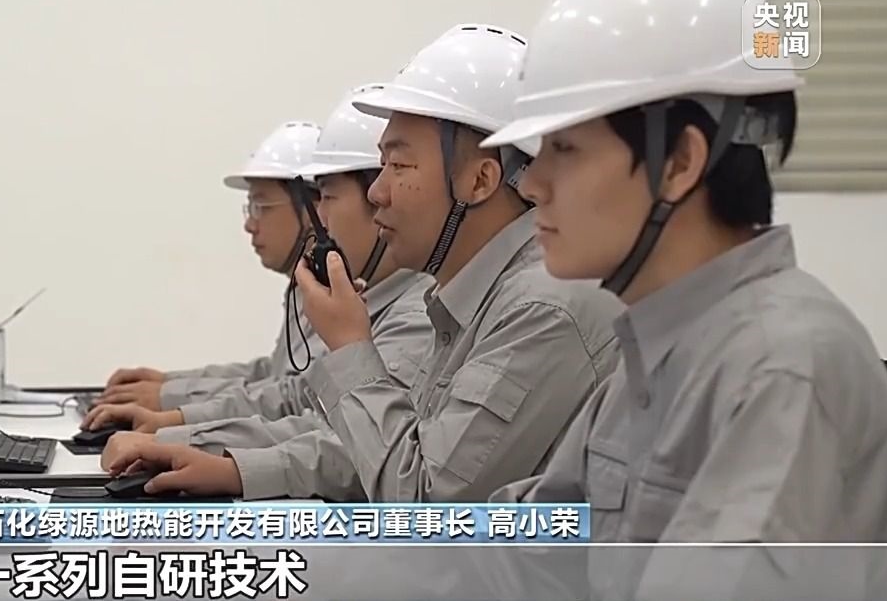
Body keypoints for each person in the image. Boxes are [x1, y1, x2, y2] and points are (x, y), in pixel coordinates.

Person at [478, 0, 887, 549]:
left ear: (680, 162)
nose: (532, 183)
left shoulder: (779, 370)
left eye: (565, 149)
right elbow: (535, 540)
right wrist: (350, 541)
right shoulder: (659, 349)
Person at [108, 25, 624, 502]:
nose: (379, 193)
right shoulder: (470, 300)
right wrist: (235, 467)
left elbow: (424, 502)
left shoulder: (541, 309)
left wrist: (350, 346)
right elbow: (388, 449)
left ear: (480, 180)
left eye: (399, 165)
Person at [87, 86, 436, 501]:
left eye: (326, 197)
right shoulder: (356, 298)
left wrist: (186, 436)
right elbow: (290, 388)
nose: (320, 220)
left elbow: (353, 445)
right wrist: (172, 403)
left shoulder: (416, 316)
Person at [96, 122, 330, 412]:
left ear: (314, 211)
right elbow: (273, 374)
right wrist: (169, 383)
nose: (249, 225)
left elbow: (294, 398)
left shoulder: (339, 295)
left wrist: (169, 403)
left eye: (261, 207)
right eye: (249, 209)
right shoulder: (307, 287)